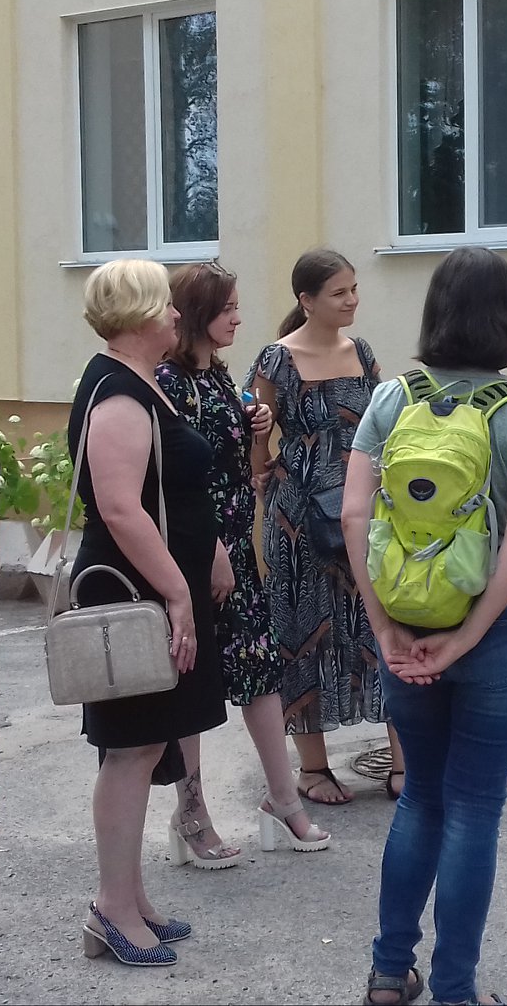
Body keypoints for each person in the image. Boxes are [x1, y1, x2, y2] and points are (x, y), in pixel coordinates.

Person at [346, 246, 507, 1006]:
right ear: (506, 319)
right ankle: (456, 992)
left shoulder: (390, 399)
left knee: (420, 799)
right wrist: (467, 638)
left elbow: (353, 515)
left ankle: (387, 971)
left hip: (405, 620)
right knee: (474, 807)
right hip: (501, 630)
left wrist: (383, 628)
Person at [69, 258, 227, 966]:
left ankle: (130, 899)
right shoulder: (118, 394)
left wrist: (209, 553)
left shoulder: (138, 382)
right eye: (165, 305)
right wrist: (177, 592)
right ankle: (110, 908)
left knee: (145, 745)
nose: (175, 315)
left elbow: (170, 490)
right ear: (138, 315)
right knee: (130, 749)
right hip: (134, 594)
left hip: (154, 587)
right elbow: (120, 509)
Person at [156, 261, 332, 858]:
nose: (237, 317)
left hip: (235, 547)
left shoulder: (216, 373)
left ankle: (283, 801)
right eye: (227, 308)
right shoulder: (169, 380)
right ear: (197, 313)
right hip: (197, 554)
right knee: (193, 684)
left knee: (261, 672)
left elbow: (227, 446)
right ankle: (191, 813)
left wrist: (253, 420)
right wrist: (210, 552)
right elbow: (179, 477)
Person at [247, 249, 399, 805]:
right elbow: (255, 445)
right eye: (340, 292)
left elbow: (384, 427)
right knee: (303, 631)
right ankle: (313, 769)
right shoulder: (276, 360)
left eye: (354, 289)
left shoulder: (363, 352)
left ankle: (402, 763)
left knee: (380, 626)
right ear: (306, 301)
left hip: (363, 510)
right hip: (299, 522)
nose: (352, 300)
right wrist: (263, 470)